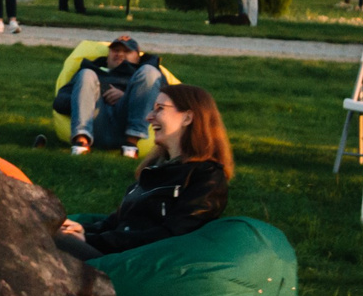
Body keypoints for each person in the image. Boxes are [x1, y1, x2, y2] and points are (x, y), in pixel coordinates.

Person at [54, 84, 232, 260]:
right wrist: (83, 230)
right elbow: (118, 222)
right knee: (49, 230)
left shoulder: (206, 176)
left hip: (137, 263)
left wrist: (91, 240)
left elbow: (172, 235)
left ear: (187, 117)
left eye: (160, 109)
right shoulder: (155, 169)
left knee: (51, 239)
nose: (149, 117)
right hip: (117, 253)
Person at [56, 35, 166, 156]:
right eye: (115, 50)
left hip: (128, 122)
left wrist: (128, 97)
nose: (119, 54)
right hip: (95, 121)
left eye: (127, 51)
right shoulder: (89, 70)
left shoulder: (147, 73)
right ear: (108, 56)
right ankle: (81, 143)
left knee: (150, 72)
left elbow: (167, 104)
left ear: (138, 57)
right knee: (86, 74)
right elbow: (59, 102)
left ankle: (130, 146)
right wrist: (91, 96)